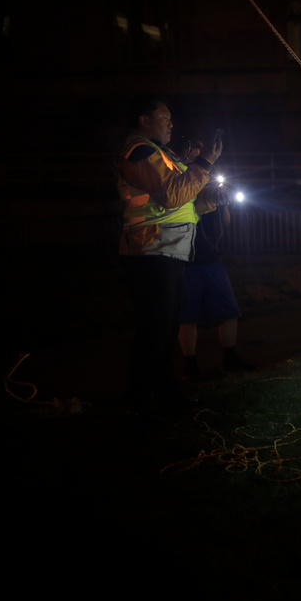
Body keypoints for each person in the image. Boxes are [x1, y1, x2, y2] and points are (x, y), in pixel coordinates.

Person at [117, 95, 223, 413]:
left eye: (171, 118)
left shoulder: (160, 154)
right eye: (164, 117)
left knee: (165, 331)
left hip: (166, 251)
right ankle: (138, 402)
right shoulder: (140, 152)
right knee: (155, 331)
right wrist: (204, 164)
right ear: (143, 120)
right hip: (150, 252)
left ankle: (165, 395)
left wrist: (213, 200)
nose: (171, 123)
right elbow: (173, 196)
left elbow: (184, 201)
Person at [178, 201, 254, 379]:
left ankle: (230, 359)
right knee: (188, 318)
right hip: (186, 262)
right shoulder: (185, 187)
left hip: (212, 261)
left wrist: (224, 204)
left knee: (229, 312)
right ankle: (190, 365)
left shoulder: (212, 191)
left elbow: (225, 222)